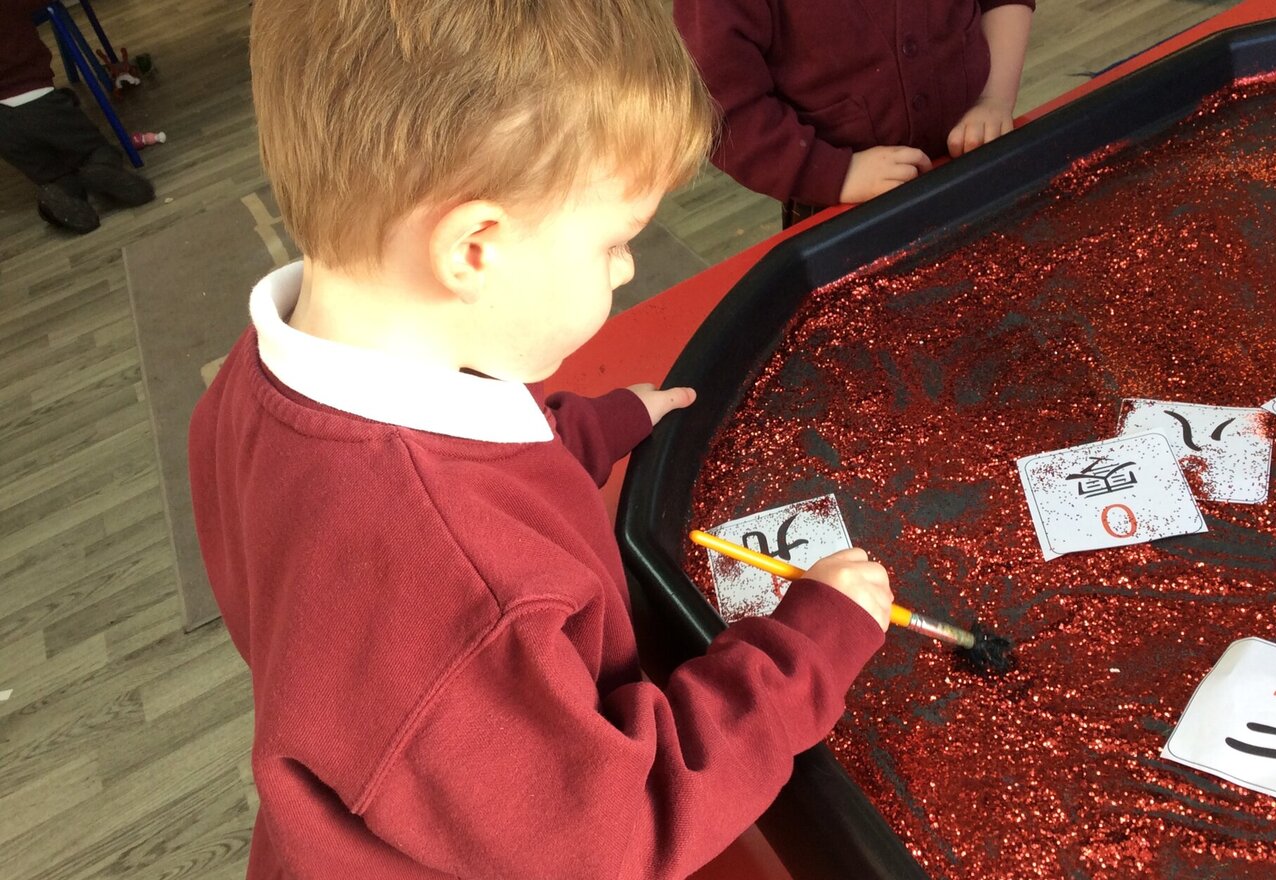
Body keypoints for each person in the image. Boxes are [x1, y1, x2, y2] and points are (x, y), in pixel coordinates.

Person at [188, 1, 895, 877]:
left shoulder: (261, 373)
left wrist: (579, 432)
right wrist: (805, 652)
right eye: (613, 245)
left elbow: (451, 471)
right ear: (475, 248)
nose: (629, 269)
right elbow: (612, 832)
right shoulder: (450, 588)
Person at [675, 0, 1035, 226]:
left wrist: (995, 99)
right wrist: (838, 174)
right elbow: (719, 105)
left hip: (977, 156)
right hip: (838, 201)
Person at [0, 0, 154, 233]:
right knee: (95, 149)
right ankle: (100, 168)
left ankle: (57, 194)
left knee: (54, 175)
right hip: (40, 102)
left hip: (4, 130)